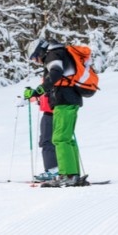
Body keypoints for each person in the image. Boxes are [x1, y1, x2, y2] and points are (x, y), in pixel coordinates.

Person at [24, 39, 84, 187]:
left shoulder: (53, 55)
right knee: (66, 138)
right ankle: (73, 174)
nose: (36, 61)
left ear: (40, 51)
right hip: (70, 99)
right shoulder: (60, 53)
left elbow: (56, 73)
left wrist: (39, 90)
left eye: (34, 57)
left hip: (64, 100)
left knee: (60, 138)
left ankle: (67, 175)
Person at [25, 83, 59, 182]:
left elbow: (49, 89)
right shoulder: (52, 73)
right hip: (55, 111)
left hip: (51, 113)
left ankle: (53, 170)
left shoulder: (52, 72)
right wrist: (36, 98)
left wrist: (35, 93)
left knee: (47, 141)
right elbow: (48, 93)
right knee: (55, 140)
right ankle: (60, 169)